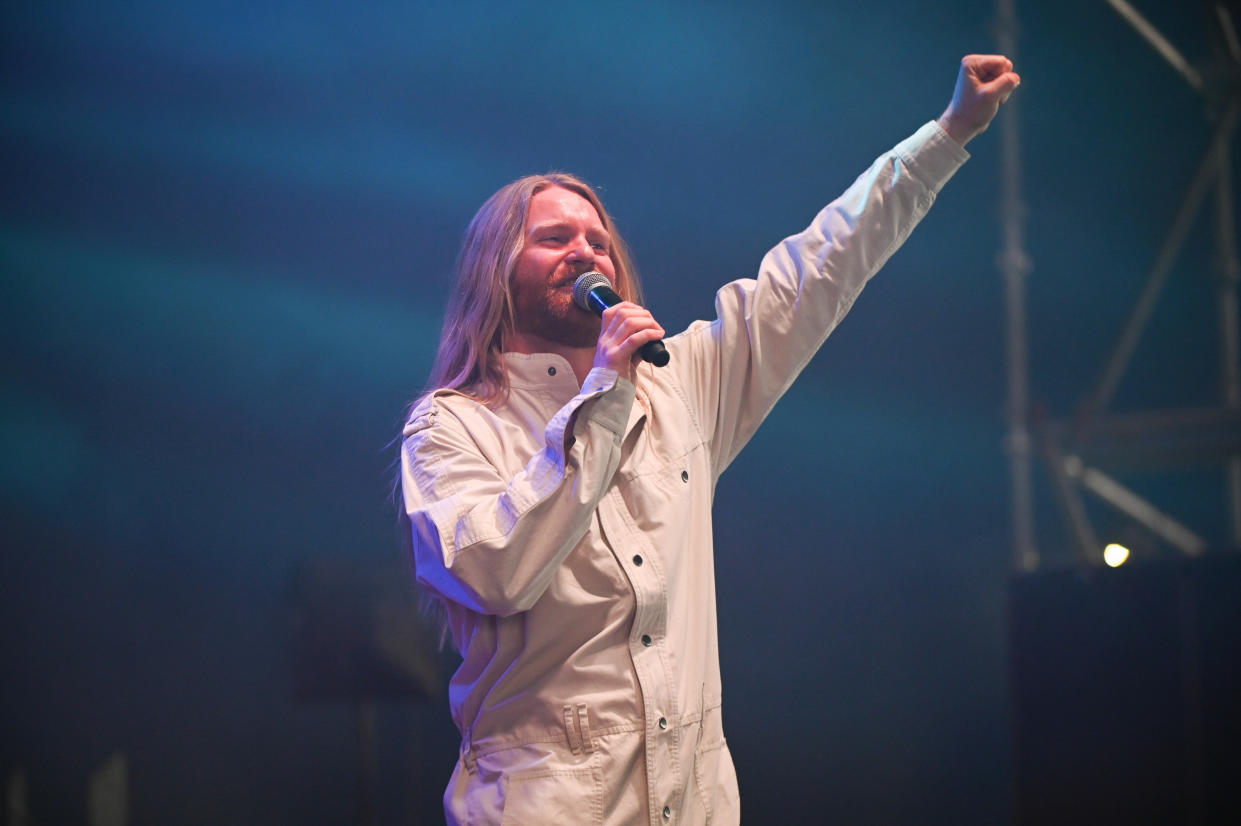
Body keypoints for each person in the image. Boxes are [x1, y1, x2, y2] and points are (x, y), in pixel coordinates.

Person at [399, 54, 1020, 826]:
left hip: (691, 802)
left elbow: (817, 269)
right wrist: (601, 397)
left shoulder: (679, 383)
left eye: (597, 239)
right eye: (553, 238)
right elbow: (497, 573)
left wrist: (949, 131)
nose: (585, 251)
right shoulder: (451, 424)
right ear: (495, 271)